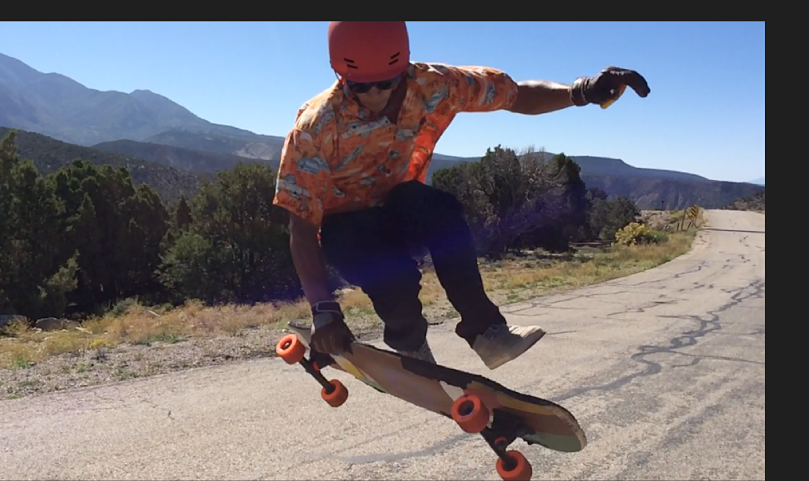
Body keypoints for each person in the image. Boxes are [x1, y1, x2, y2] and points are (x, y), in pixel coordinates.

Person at [273, 21, 650, 369]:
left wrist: (582, 91)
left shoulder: (434, 84)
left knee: (439, 207)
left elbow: (515, 95)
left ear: (403, 66)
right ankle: (412, 349)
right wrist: (324, 310)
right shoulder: (316, 125)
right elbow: (302, 230)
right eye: (358, 86)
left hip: (397, 211)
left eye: (386, 82)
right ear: (340, 73)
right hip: (347, 231)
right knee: (396, 278)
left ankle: (488, 334)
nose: (373, 95)